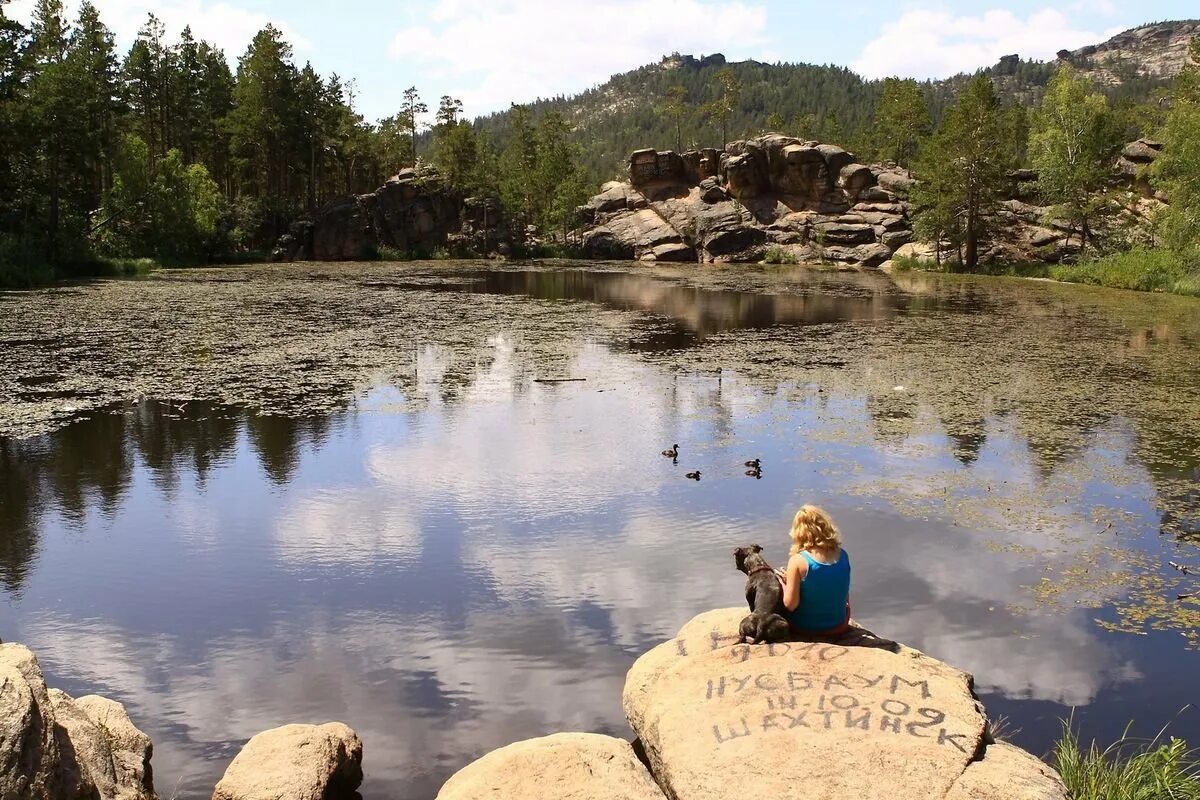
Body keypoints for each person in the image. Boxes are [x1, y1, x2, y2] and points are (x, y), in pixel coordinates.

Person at [778, 504, 851, 637]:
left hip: (805, 628)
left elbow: (790, 605)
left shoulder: (797, 560)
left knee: (778, 582)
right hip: (839, 625)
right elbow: (843, 593)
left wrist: (788, 584)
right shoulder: (843, 555)